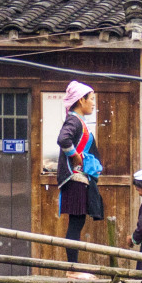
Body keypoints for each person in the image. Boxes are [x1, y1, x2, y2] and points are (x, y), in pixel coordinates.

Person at [54, 81, 104, 265]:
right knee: (75, 226)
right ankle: (73, 269)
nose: (93, 103)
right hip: (75, 181)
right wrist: (74, 155)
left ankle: (73, 267)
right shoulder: (74, 120)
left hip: (79, 181)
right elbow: (63, 139)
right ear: (81, 100)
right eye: (91, 99)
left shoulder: (78, 121)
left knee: (77, 225)